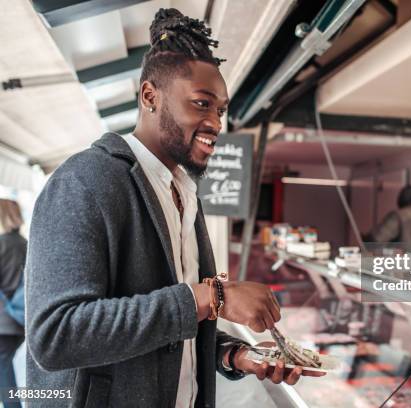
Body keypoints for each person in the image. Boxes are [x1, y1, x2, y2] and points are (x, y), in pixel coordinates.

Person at [26, 8, 322, 408]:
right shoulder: (85, 181)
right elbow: (56, 335)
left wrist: (235, 354)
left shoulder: (184, 192)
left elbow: (169, 326)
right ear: (150, 96)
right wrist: (212, 297)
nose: (216, 123)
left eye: (220, 110)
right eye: (202, 104)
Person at [0, 199, 26, 408]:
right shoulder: (25, 243)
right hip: (22, 319)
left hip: (4, 323)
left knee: (3, 368)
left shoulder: (2, 243)